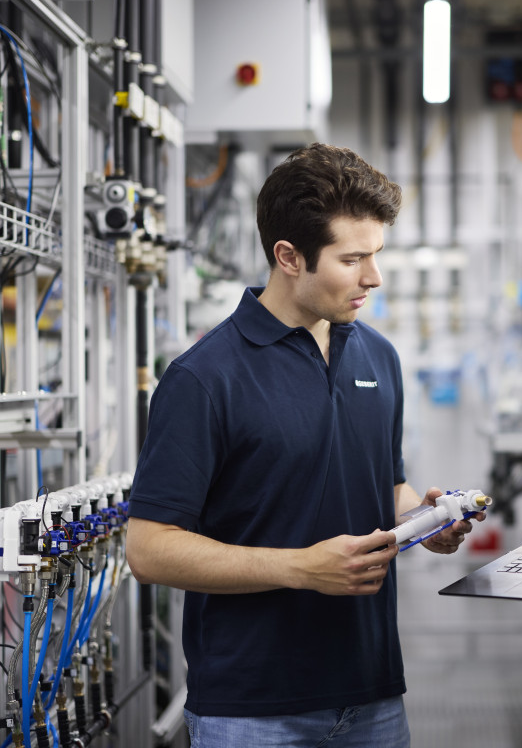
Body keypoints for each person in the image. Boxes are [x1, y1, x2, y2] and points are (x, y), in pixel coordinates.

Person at [125, 143, 480, 748]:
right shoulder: (204, 379)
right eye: (354, 258)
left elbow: (382, 486)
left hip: (372, 694)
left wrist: (424, 519)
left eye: (377, 254)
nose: (374, 276)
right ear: (288, 256)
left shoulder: (378, 357)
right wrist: (300, 569)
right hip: (252, 709)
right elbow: (150, 550)